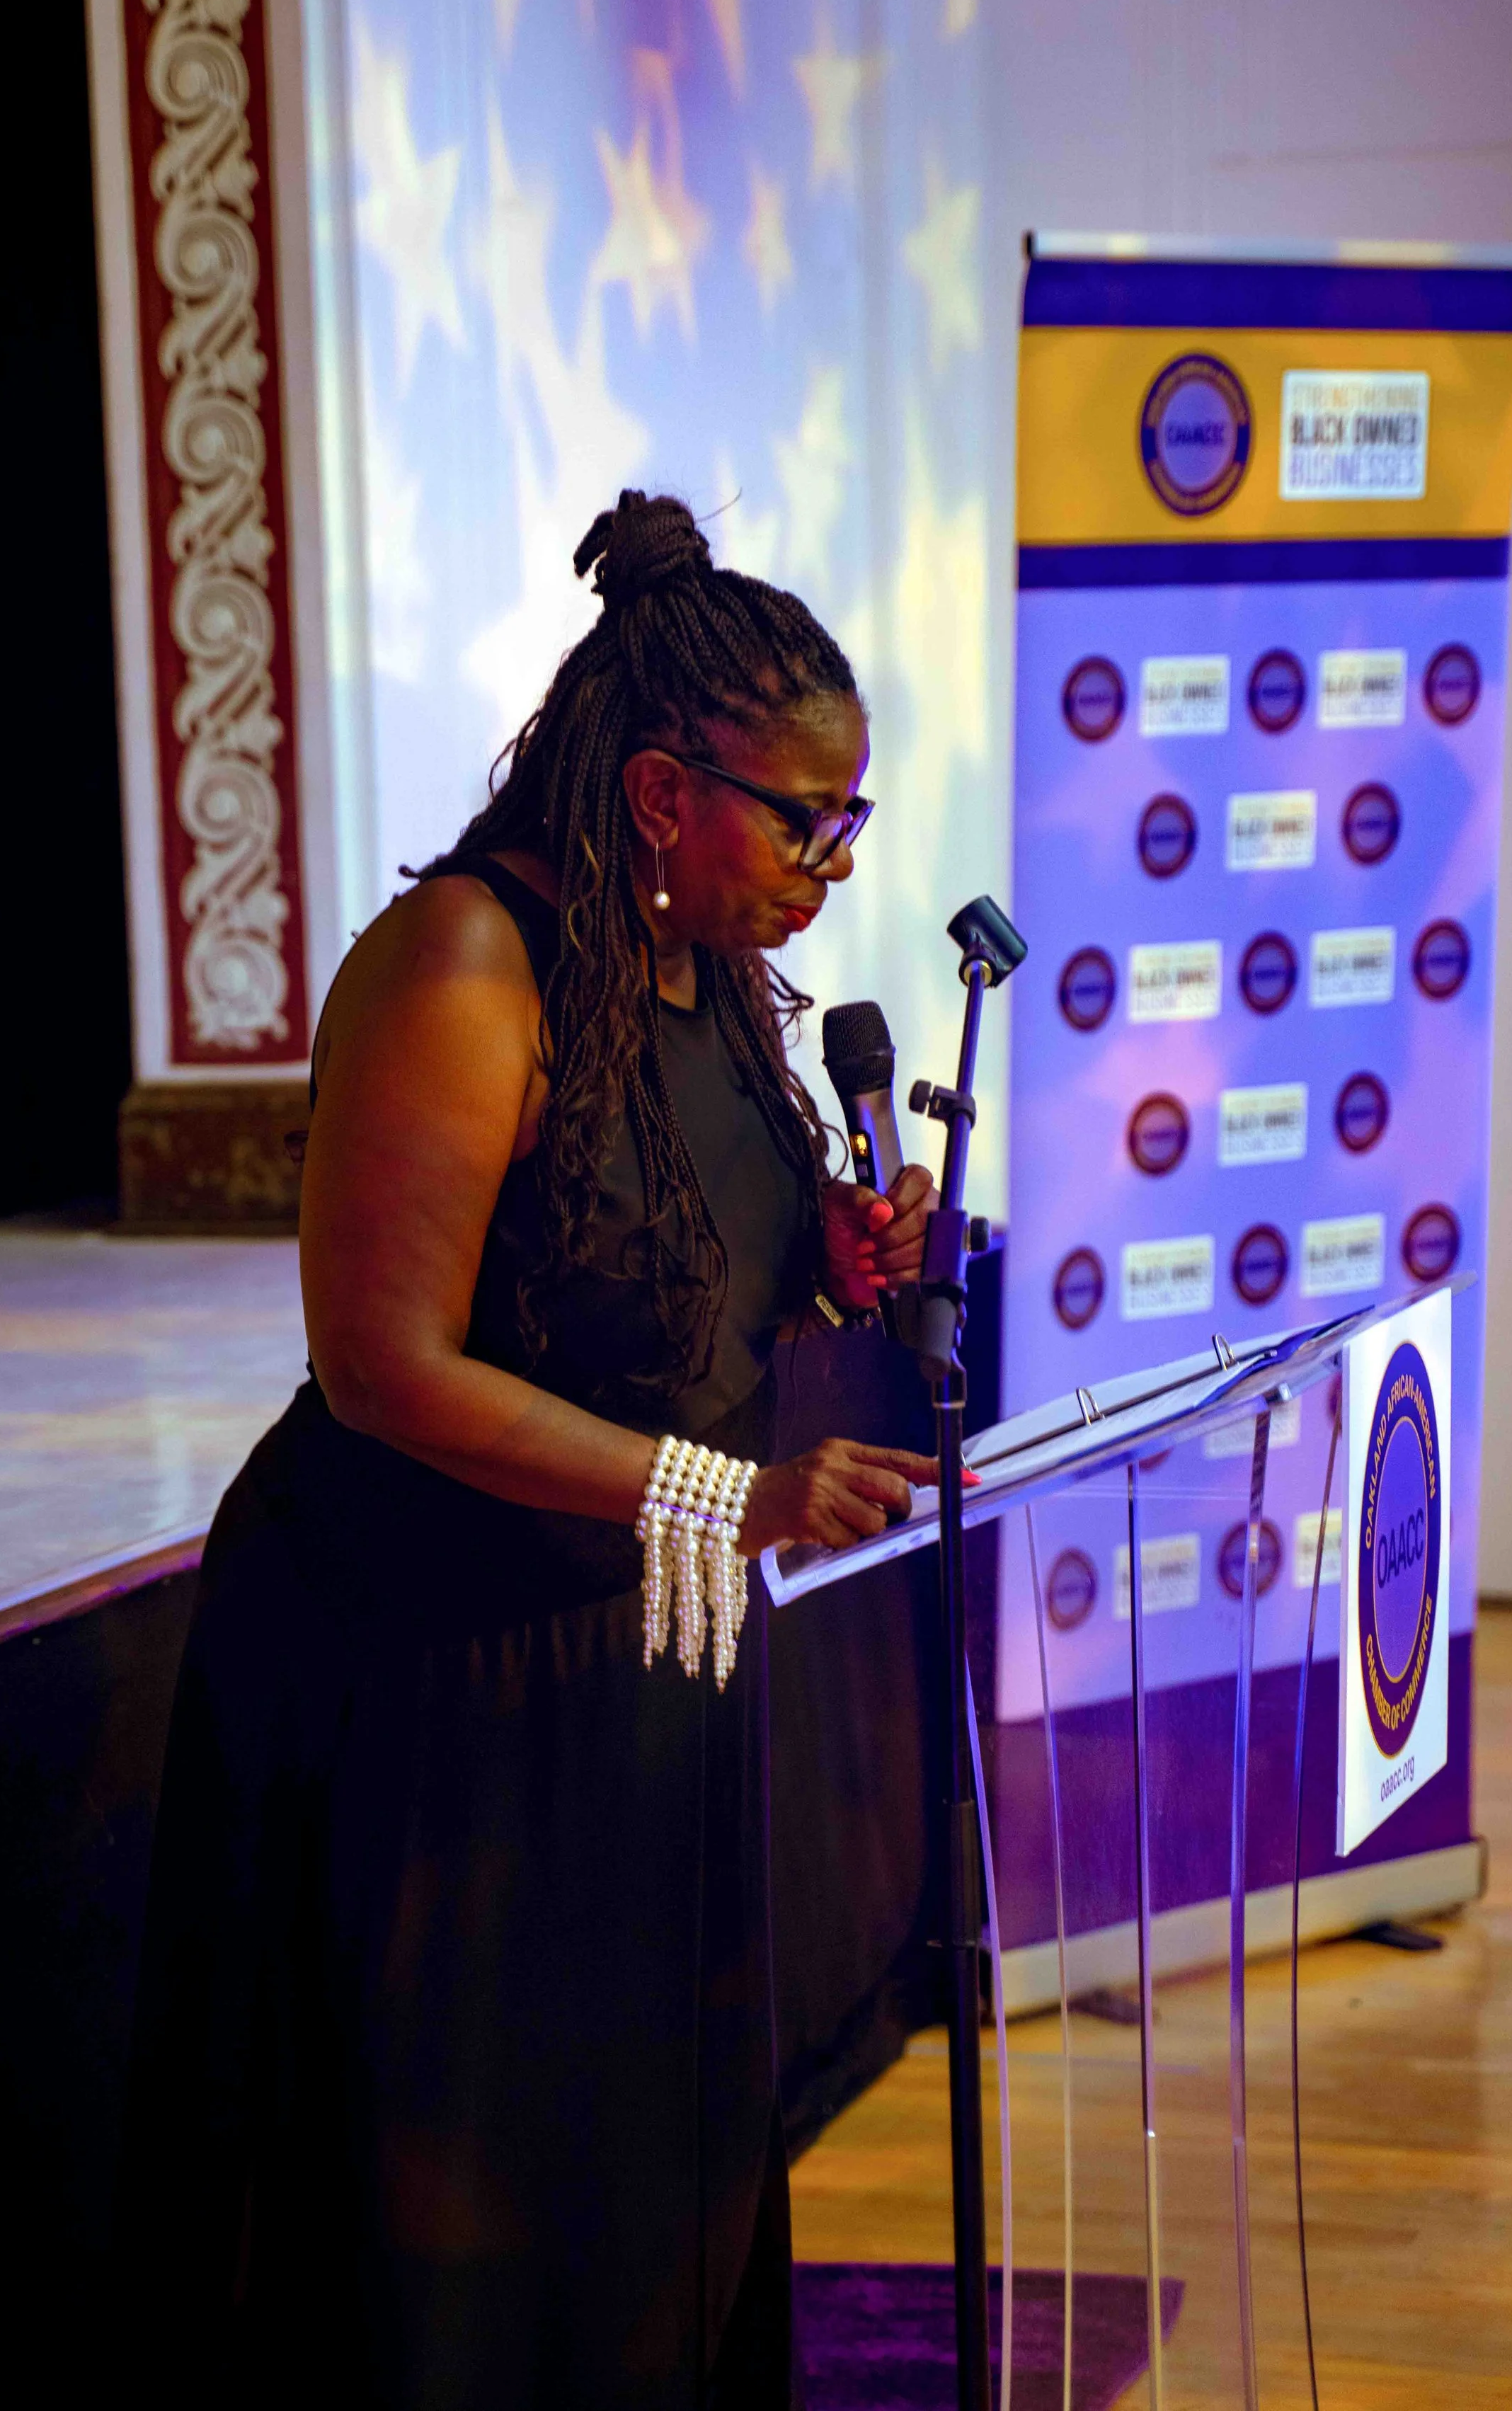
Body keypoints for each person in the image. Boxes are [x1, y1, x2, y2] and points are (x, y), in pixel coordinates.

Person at [120, 491, 939, 2406]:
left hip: (635, 1664)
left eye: (854, 819)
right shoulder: (463, 965)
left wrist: (822, 1266)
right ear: (662, 791)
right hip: (428, 1686)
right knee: (452, 2247)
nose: (833, 858)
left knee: (637, 2201)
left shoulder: (715, 981)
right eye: (799, 814)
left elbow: (654, 1277)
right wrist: (715, 1493)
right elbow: (384, 1368)